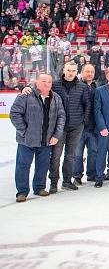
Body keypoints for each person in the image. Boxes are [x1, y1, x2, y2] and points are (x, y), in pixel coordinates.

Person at [24, 61, 91, 193]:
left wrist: (83, 121)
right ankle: (54, 182)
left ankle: (67, 181)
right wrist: (26, 87)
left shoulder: (82, 87)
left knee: (70, 155)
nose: (71, 73)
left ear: (76, 71)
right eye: (68, 70)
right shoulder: (54, 84)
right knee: (55, 156)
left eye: (73, 70)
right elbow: (40, 87)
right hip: (58, 127)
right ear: (64, 70)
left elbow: (87, 105)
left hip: (76, 126)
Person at [10, 73, 65, 202]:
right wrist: (24, 131)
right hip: (27, 140)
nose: (47, 84)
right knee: (23, 166)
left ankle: (39, 187)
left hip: (46, 140)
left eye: (49, 82)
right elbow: (14, 114)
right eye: (44, 81)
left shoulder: (56, 98)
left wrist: (56, 135)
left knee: (43, 165)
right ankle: (22, 191)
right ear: (37, 82)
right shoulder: (26, 95)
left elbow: (61, 117)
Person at [73, 64, 97, 185]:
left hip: (92, 126)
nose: (89, 74)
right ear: (82, 73)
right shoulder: (76, 86)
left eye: (92, 71)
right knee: (77, 153)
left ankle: (91, 174)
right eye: (87, 71)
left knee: (93, 151)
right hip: (79, 127)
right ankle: (77, 176)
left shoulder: (95, 86)